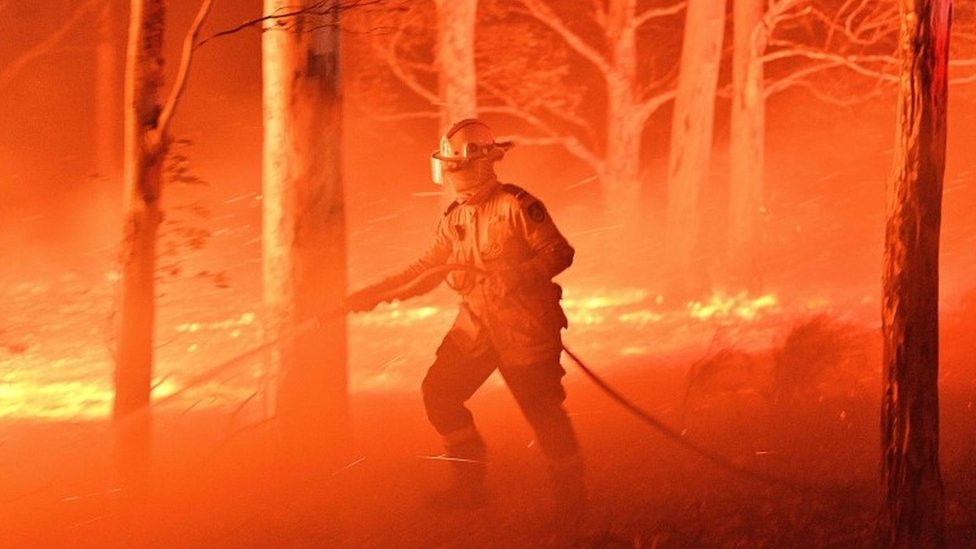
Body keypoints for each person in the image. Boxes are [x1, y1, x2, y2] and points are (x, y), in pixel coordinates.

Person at [344, 119, 585, 516]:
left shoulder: (517, 206)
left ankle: (572, 512)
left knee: (545, 417)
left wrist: (516, 276)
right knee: (439, 394)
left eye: (457, 167)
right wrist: (373, 295)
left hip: (525, 331)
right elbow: (425, 270)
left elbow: (560, 253)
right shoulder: (453, 219)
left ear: (482, 164)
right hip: (475, 330)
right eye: (448, 167)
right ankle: (469, 489)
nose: (453, 175)